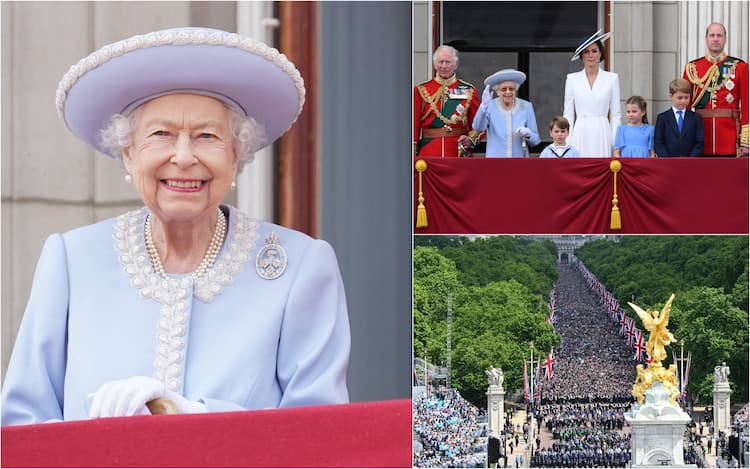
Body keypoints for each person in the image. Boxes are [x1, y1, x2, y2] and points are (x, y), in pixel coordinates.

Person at [1, 27, 350, 425]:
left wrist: (198, 419)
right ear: (128, 154)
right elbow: (20, 427)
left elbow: (320, 433)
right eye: (161, 134)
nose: (183, 157)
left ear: (237, 155)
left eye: (207, 136)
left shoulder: (300, 267)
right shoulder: (71, 261)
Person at [683, 23, 748, 157]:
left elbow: (747, 105)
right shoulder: (692, 68)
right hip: (700, 137)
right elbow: (686, 106)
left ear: (725, 39)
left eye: (719, 35)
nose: (715, 39)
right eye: (712, 35)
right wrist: (686, 136)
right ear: (706, 39)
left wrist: (745, 141)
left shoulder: (740, 67)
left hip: (729, 138)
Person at [413, 45, 481, 157]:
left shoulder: (469, 90)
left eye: (448, 62)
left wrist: (471, 139)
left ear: (456, 65)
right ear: (435, 64)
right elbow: (413, 126)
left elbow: (479, 124)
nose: (444, 66)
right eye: (441, 62)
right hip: (429, 153)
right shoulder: (421, 90)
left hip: (458, 153)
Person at [563, 30, 621, 157]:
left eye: (594, 51)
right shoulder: (572, 79)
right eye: (586, 52)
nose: (590, 55)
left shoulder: (612, 78)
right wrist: (568, 140)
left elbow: (616, 114)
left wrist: (616, 142)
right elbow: (568, 114)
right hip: (580, 131)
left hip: (602, 131)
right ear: (581, 56)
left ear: (600, 54)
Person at [472, 69, 540, 157]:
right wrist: (483, 107)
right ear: (497, 91)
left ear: (516, 90)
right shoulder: (489, 106)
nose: (508, 92)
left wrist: (528, 134)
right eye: (504, 89)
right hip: (496, 163)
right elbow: (478, 127)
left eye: (511, 89)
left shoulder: (526, 106)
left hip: (519, 162)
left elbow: (536, 141)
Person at [654, 79, 705, 157]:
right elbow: (658, 142)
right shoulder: (662, 118)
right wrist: (667, 159)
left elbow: (699, 142)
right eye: (680, 98)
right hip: (668, 162)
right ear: (671, 96)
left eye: (686, 97)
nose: (683, 101)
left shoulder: (696, 118)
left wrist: (690, 159)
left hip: (690, 162)